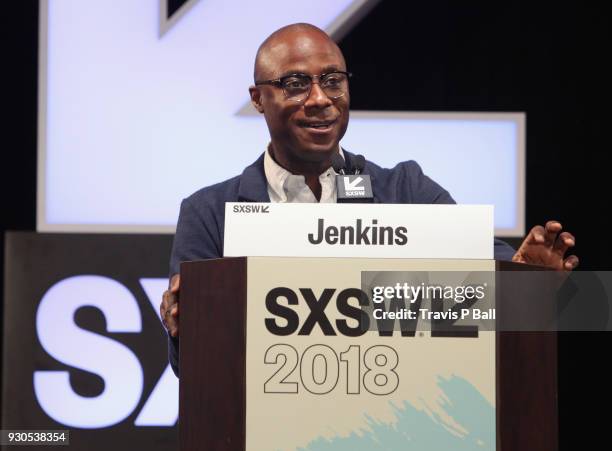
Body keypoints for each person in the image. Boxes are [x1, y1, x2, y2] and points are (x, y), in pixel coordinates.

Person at [160, 23, 578, 376]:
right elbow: (194, 366)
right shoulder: (211, 213)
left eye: (332, 81)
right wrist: (183, 328)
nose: (320, 99)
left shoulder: (406, 191)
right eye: (295, 84)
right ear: (258, 99)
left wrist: (520, 281)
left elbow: (490, 296)